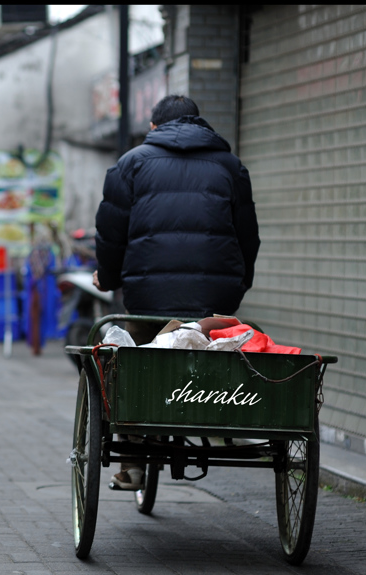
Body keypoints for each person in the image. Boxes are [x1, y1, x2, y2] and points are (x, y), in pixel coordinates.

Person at [92, 94, 260, 490]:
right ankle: (213, 417)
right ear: (199, 124)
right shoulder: (230, 167)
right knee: (207, 345)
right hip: (215, 296)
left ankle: (132, 459)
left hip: (147, 296)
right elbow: (247, 237)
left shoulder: (131, 163)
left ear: (154, 128)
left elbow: (111, 232)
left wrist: (110, 277)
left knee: (133, 356)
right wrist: (239, 283)